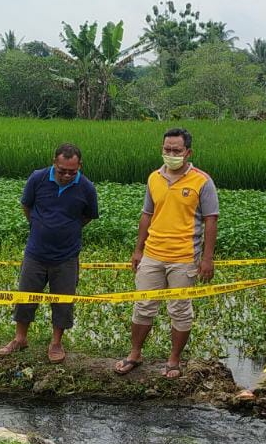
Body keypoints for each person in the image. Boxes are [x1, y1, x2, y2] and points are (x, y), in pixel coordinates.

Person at [114, 128, 218, 379]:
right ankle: (135, 354)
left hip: (184, 257)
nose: (171, 154)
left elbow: (211, 220)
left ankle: (173, 360)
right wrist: (138, 249)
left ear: (188, 152)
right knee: (143, 306)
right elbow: (146, 214)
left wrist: (207, 258)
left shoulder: (202, 181)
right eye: (167, 149)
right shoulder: (154, 178)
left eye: (176, 150)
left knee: (180, 310)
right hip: (153, 254)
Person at [0, 143, 99, 363]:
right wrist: (39, 225)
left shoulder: (87, 188)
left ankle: (55, 343)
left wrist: (68, 228)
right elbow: (27, 206)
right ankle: (20, 338)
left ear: (79, 166)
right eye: (62, 170)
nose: (67, 175)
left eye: (72, 171)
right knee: (25, 296)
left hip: (67, 256)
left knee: (63, 301)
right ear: (54, 162)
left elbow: (88, 216)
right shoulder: (38, 178)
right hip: (36, 252)